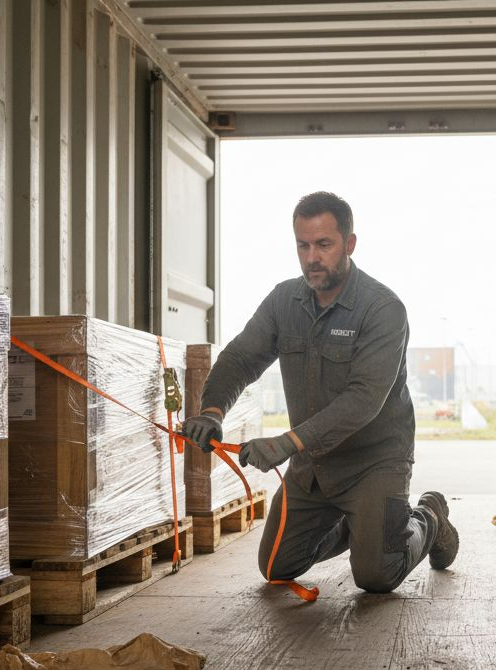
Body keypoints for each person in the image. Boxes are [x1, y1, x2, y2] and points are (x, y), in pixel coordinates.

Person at [181, 191, 458, 594]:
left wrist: (288, 442)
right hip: (315, 466)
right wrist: (211, 412)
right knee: (277, 567)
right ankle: (365, 527)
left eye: (324, 244)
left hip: (374, 461)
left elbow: (364, 398)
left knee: (375, 575)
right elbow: (241, 357)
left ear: (349, 244)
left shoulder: (383, 309)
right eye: (303, 244)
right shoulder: (283, 301)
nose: (312, 256)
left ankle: (428, 516)